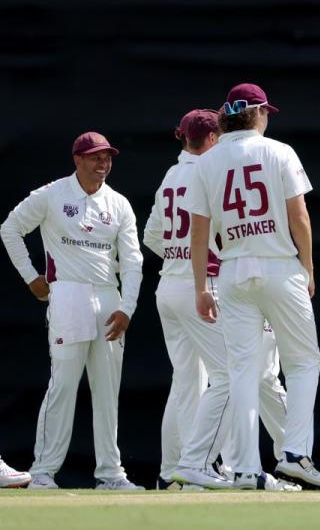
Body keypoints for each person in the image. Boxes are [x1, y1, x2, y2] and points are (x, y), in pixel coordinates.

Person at [182, 83, 320, 490]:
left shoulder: (207, 162)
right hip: (279, 265)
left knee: (242, 372)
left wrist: (200, 287)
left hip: (231, 271)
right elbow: (299, 217)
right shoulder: (279, 151)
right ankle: (295, 453)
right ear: (259, 113)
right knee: (304, 362)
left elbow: (198, 231)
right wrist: (309, 267)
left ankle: (246, 467)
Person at [143, 110, 289, 490]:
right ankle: (204, 465)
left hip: (170, 286)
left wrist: (180, 255)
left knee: (187, 382)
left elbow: (152, 236)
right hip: (203, 284)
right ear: (211, 139)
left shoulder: (171, 174)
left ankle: (172, 472)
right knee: (231, 375)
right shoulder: (210, 170)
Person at [0, 132, 144, 490]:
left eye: (108, 157)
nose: (103, 164)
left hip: (109, 298)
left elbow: (133, 261)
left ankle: (111, 474)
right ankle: (44, 471)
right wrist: (31, 277)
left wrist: (127, 307)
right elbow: (10, 228)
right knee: (63, 386)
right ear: (77, 159)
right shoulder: (52, 194)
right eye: (95, 157)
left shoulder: (119, 204)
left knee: (108, 390)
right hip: (68, 296)